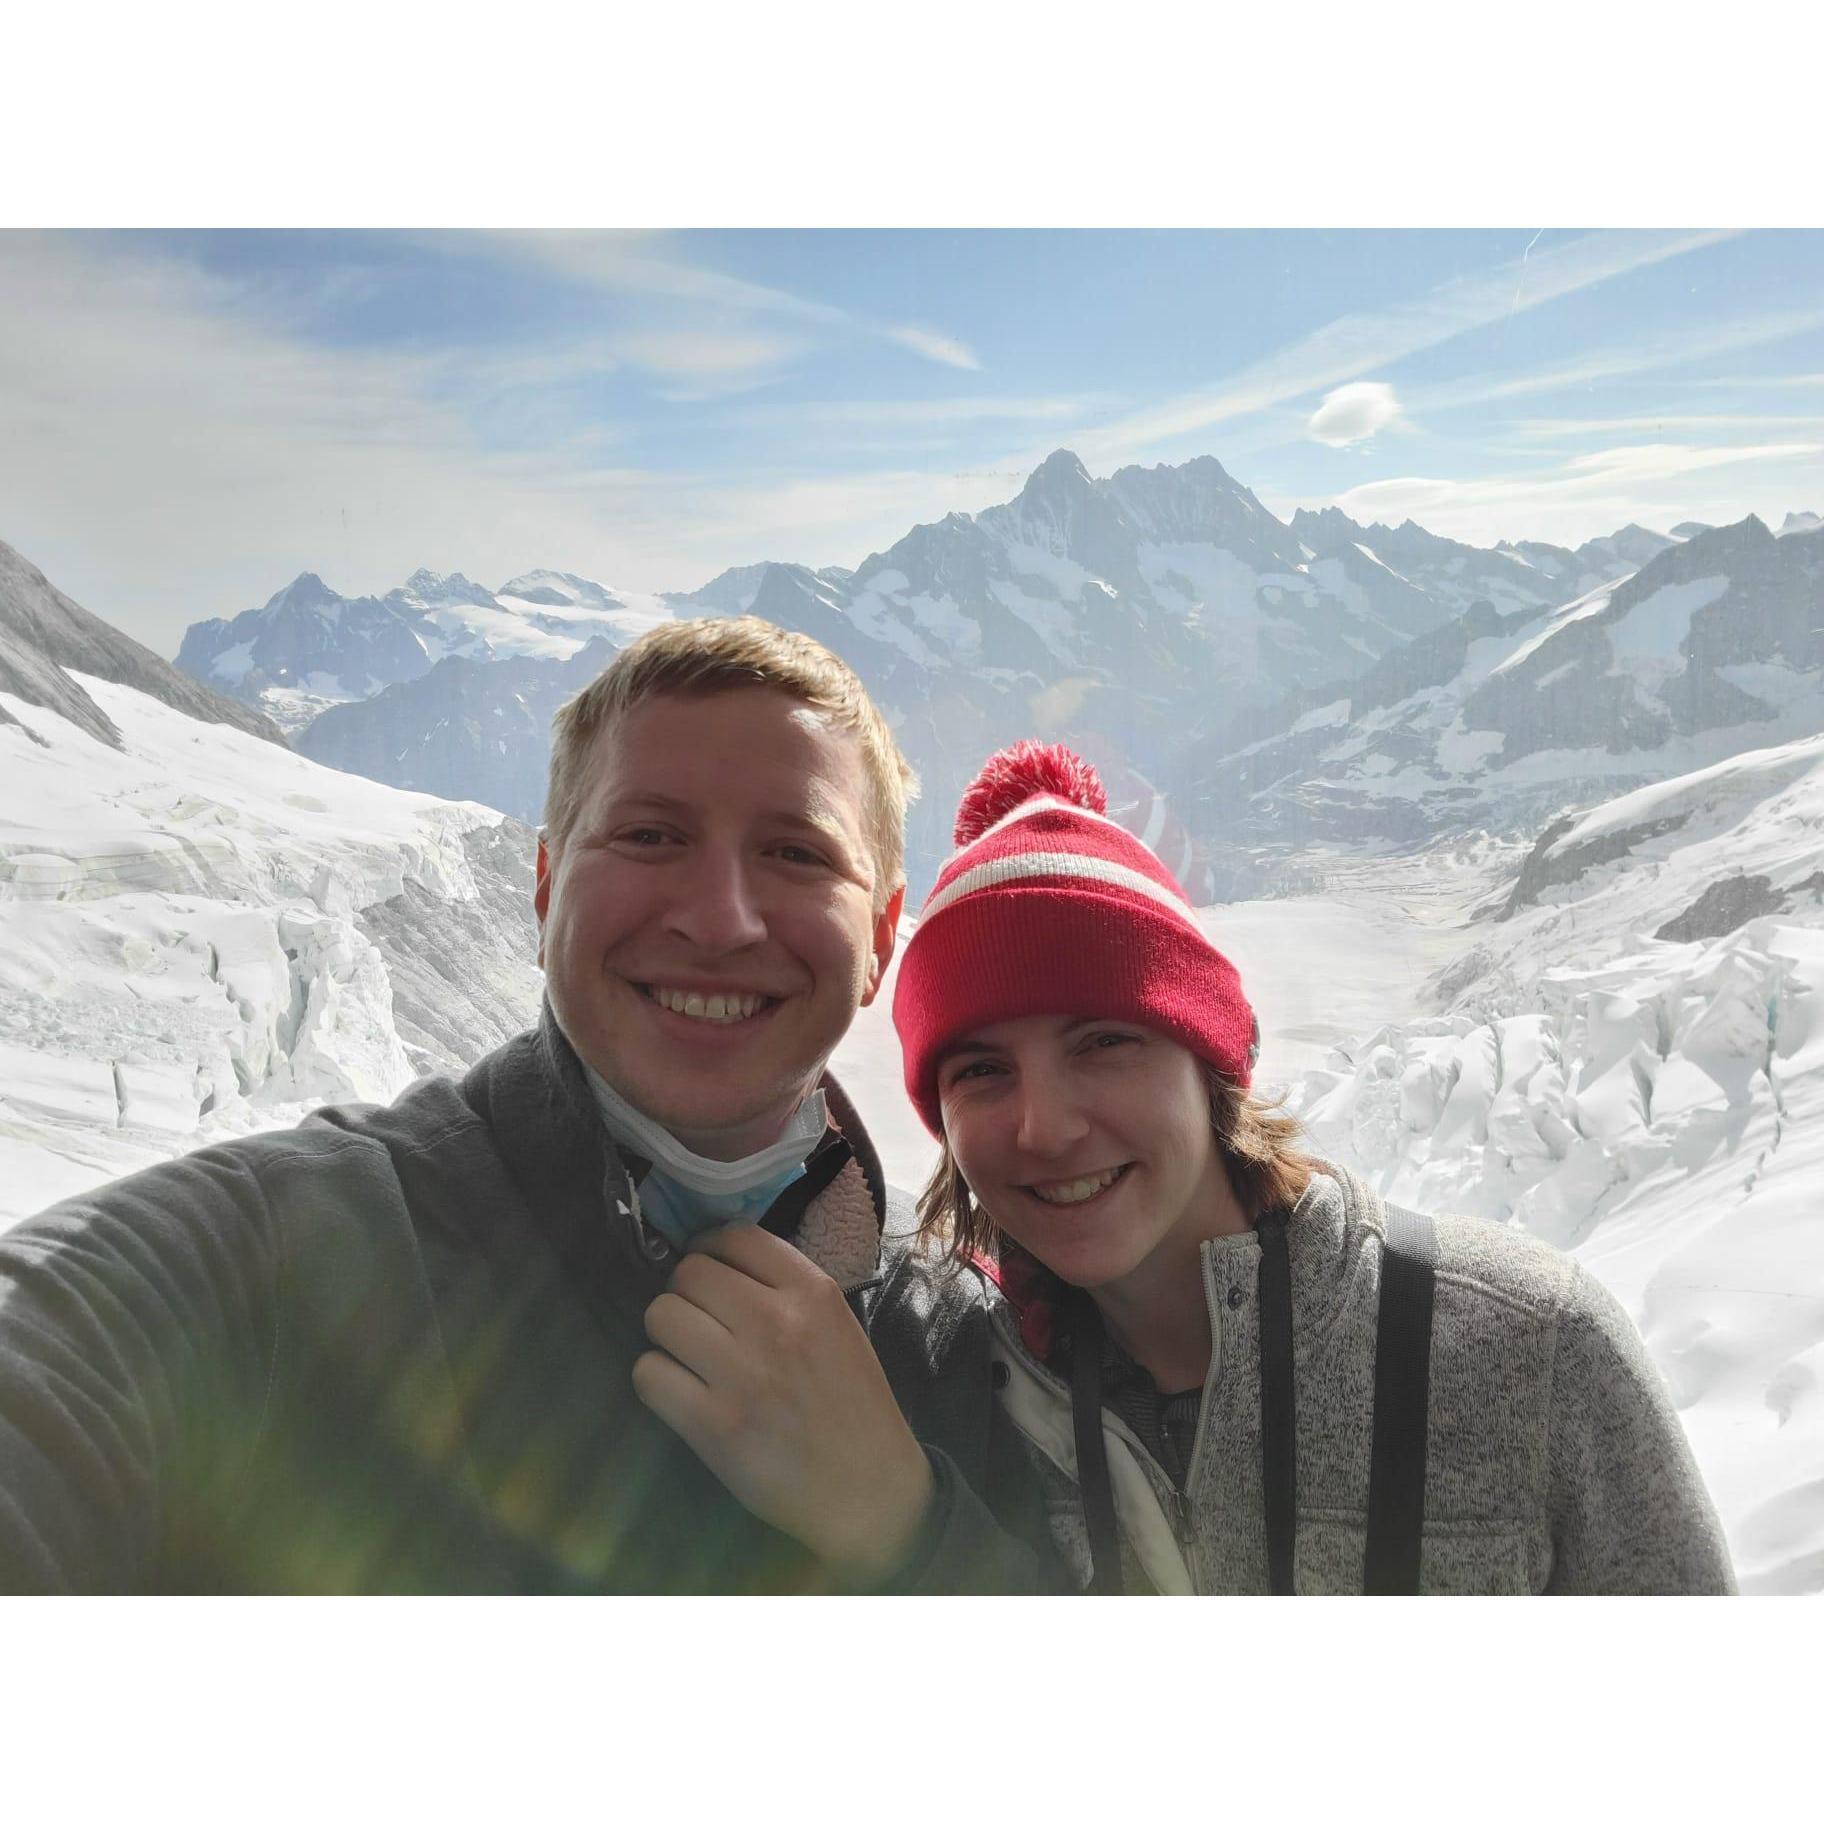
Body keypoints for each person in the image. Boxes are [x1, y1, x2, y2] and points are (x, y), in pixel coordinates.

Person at [0, 618, 1047, 1594]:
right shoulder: (284, 1247)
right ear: (545, 888)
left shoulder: (958, 1334)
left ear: (880, 937)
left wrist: (910, 1524)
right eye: (649, 836)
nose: (721, 920)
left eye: (797, 853)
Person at [889, 740, 1737, 1594]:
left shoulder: (1530, 1347)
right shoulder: (950, 1398)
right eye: (981, 1070)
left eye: (1106, 1042)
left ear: (1213, 1061)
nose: (1045, 1127)